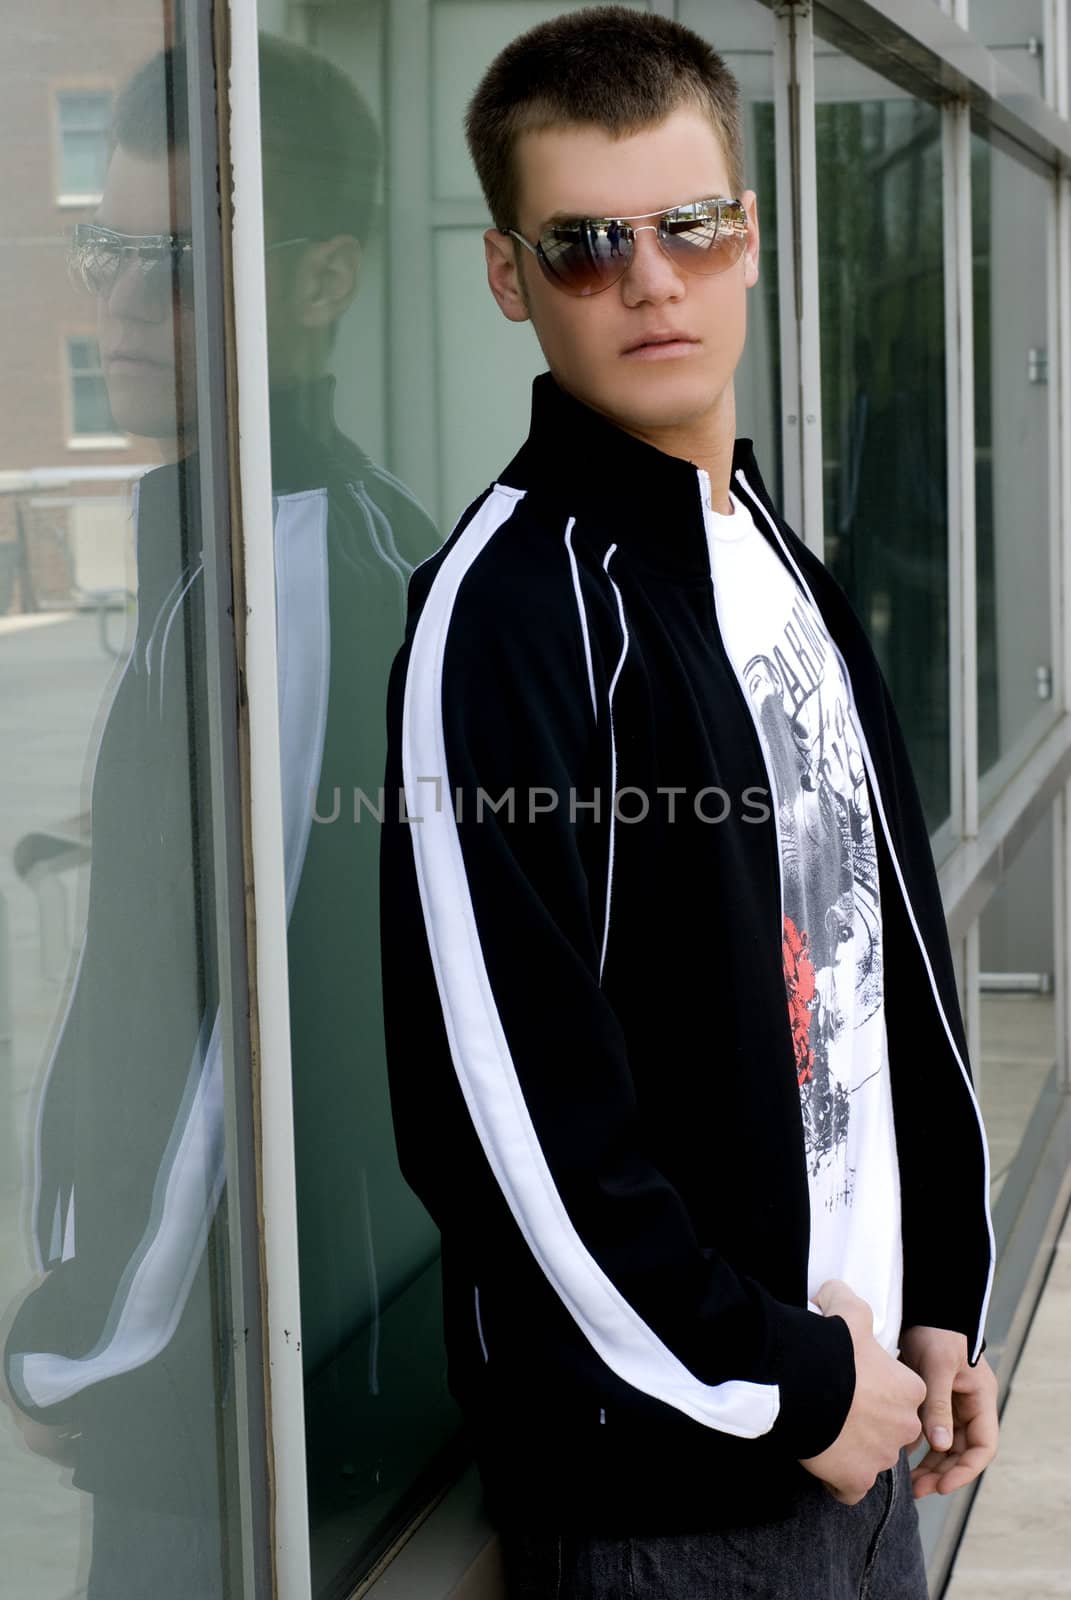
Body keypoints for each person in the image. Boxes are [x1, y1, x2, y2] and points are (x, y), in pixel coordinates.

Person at [378, 8, 998, 1598]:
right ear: (510, 279)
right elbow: (505, 1113)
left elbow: (884, 948)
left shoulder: (768, 555)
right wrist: (782, 1377)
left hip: (862, 1426)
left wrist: (936, 1288)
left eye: (687, 227)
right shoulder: (507, 614)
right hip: (677, 1491)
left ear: (750, 240)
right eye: (584, 246)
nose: (649, 279)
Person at [1, 34, 439, 1599]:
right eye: (107, 251)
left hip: (244, 1396)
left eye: (173, 264)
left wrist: (87, 1344)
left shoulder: (286, 582)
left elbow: (233, 1051)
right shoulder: (238, 539)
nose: (118, 308)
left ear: (317, 283)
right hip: (255, 1361)